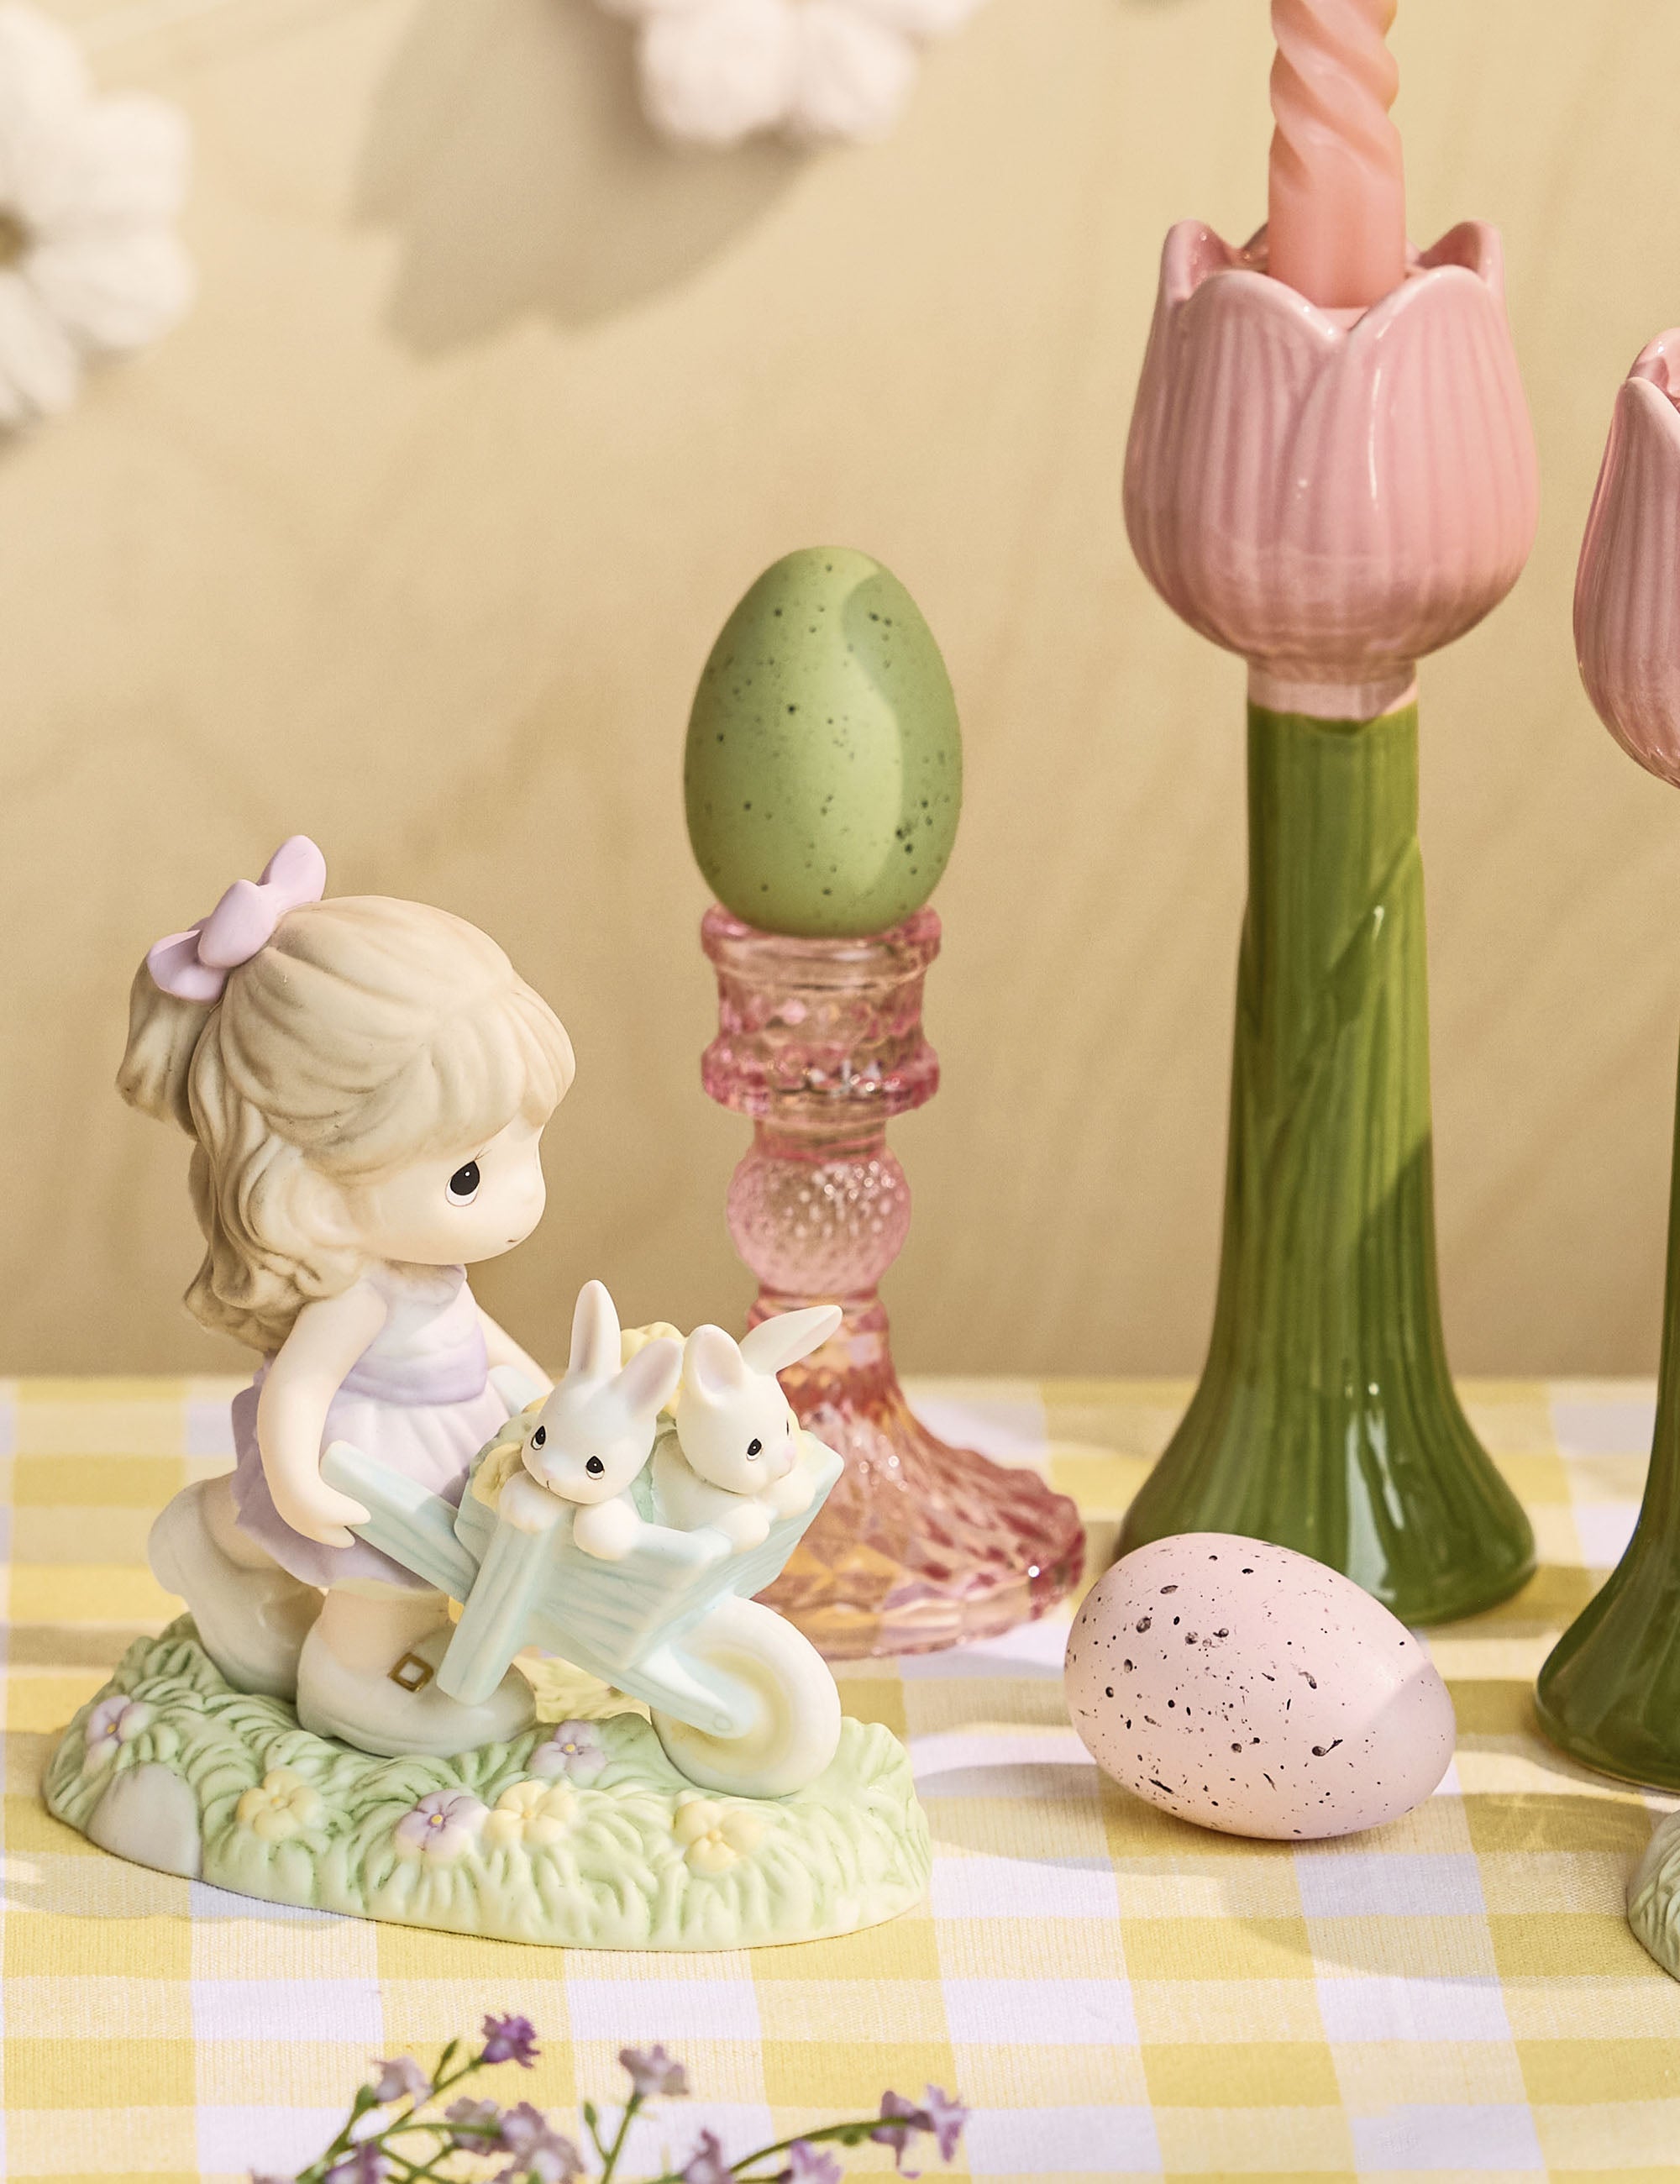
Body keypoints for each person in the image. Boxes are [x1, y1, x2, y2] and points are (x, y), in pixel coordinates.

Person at [118, 836, 572, 1756]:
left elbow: (483, 1341)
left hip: (451, 1427)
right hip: (374, 1457)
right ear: (319, 1186)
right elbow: (300, 1384)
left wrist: (546, 1403)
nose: (523, 1199)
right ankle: (358, 1676)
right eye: (471, 1176)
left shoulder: (430, 1275)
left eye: (529, 1151)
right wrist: (295, 1475)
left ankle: (208, 1538)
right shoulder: (356, 1295)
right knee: (382, 1569)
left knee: (419, 1552)